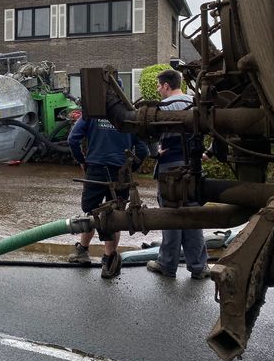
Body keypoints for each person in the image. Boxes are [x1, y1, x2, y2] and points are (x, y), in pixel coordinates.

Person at [67, 111, 149, 278]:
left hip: (96, 169)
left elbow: (72, 139)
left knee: (91, 212)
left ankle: (83, 252)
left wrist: (82, 161)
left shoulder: (92, 113)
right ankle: (108, 260)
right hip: (121, 172)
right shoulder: (129, 115)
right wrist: (129, 169)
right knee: (116, 217)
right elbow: (143, 150)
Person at [147, 69, 211, 279]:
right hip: (193, 168)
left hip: (169, 169)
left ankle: (167, 265)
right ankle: (199, 267)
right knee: (192, 216)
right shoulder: (195, 103)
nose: (158, 90)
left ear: (166, 86)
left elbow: (147, 132)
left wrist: (154, 150)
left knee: (171, 216)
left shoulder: (164, 107)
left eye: (159, 86)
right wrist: (205, 152)